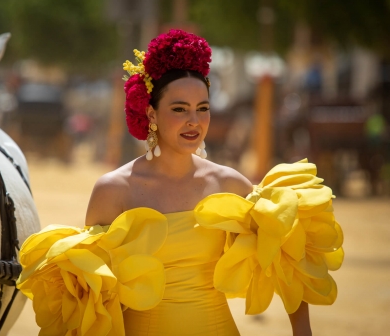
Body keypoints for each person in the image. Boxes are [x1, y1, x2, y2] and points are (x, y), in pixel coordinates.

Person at [17, 30, 344, 336]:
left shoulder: (227, 182)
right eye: (179, 109)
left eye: (202, 108)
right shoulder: (113, 190)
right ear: (152, 114)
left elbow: (291, 258)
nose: (194, 121)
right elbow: (93, 295)